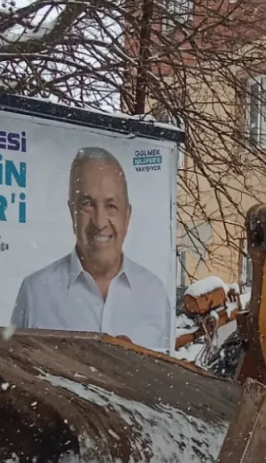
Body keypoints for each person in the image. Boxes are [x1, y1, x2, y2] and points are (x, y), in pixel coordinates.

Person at [10, 147, 171, 351]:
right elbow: (13, 374)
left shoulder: (154, 294)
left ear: (127, 216)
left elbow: (162, 380)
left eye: (111, 206)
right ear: (72, 212)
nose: (100, 221)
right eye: (88, 204)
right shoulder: (36, 292)